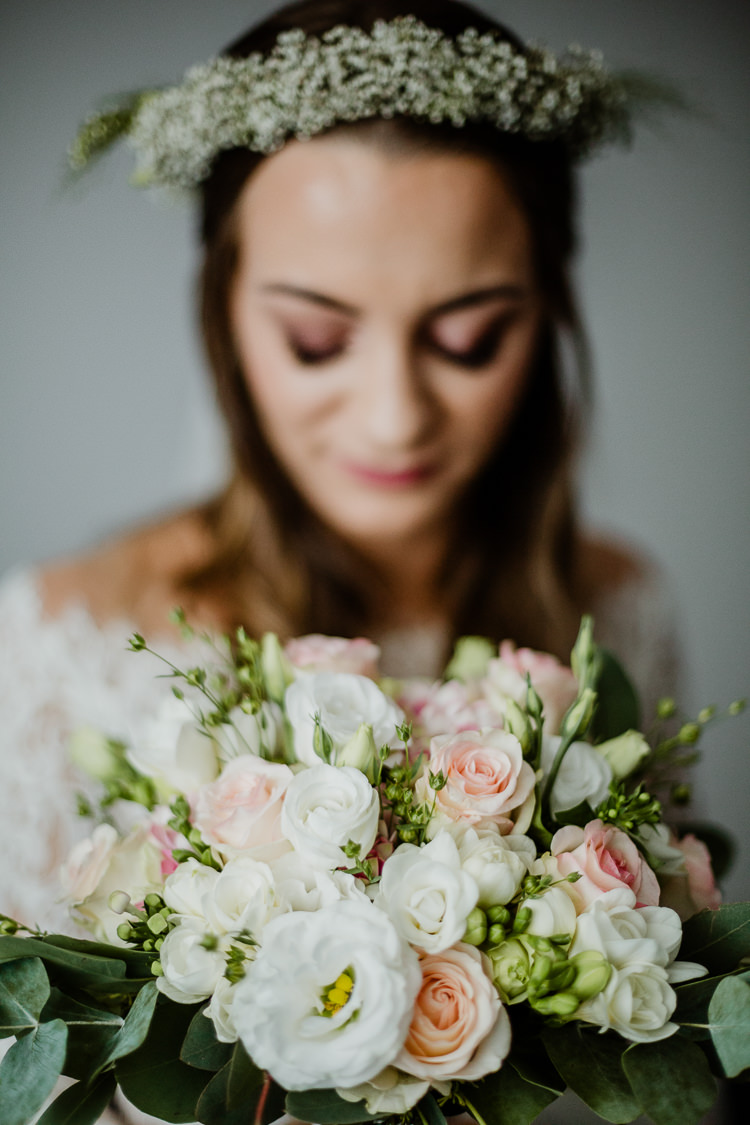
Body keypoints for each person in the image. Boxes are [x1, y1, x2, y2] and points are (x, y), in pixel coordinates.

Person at [0, 1, 689, 1121]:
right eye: (316, 341)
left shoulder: (619, 607)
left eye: (469, 338)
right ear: (225, 320)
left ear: (550, 311)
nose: (394, 416)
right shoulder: (49, 645)